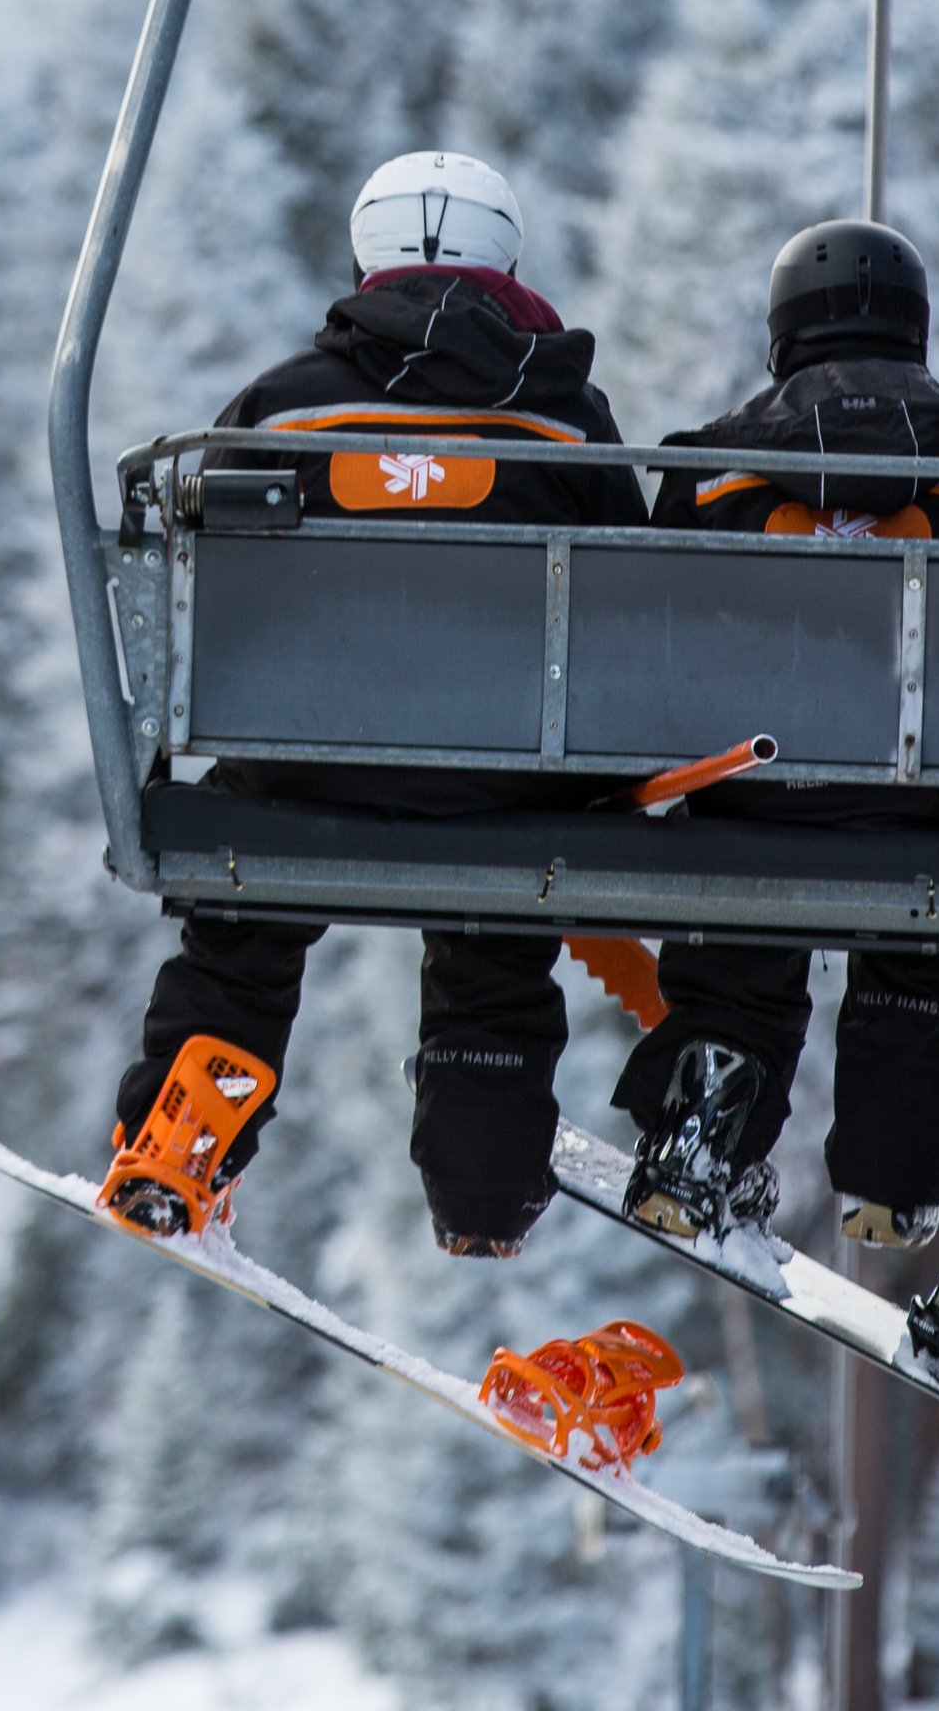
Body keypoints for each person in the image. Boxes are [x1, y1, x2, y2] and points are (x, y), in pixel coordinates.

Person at [100, 150, 648, 1258]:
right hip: (504, 775)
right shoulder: (565, 416)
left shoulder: (281, 409)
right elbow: (635, 592)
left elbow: (194, 585)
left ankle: (179, 1145)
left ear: (365, 259)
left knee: (241, 935)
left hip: (299, 762)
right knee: (495, 949)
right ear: (508, 260)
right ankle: (483, 1197)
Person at [606, 219, 939, 1260]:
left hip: (755, 790)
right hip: (933, 803)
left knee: (736, 951)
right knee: (919, 963)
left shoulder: (718, 466)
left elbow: (645, 628)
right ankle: (891, 1188)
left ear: (784, 333)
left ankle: (706, 1123)